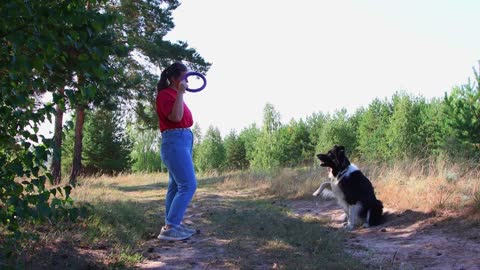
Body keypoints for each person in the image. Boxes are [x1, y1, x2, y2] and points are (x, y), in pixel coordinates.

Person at [155, 62, 198, 241]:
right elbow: (176, 117)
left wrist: (179, 93)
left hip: (182, 141)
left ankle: (172, 225)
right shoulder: (165, 95)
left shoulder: (174, 94)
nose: (187, 82)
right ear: (174, 78)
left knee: (175, 186)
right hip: (174, 141)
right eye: (184, 77)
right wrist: (180, 92)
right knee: (188, 185)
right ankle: (170, 227)